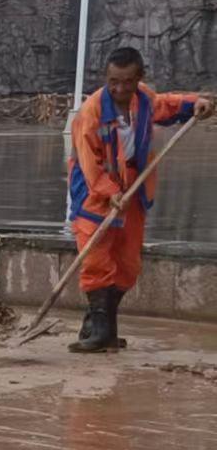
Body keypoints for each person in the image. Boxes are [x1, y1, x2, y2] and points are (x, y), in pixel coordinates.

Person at [65, 47, 207, 352]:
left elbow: (167, 106)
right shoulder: (91, 113)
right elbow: (90, 166)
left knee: (127, 263)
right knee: (96, 258)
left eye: (126, 81)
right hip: (93, 193)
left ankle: (99, 326)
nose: (118, 88)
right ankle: (101, 332)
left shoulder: (142, 100)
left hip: (133, 188)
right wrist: (109, 192)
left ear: (138, 78)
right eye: (113, 81)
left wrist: (198, 104)